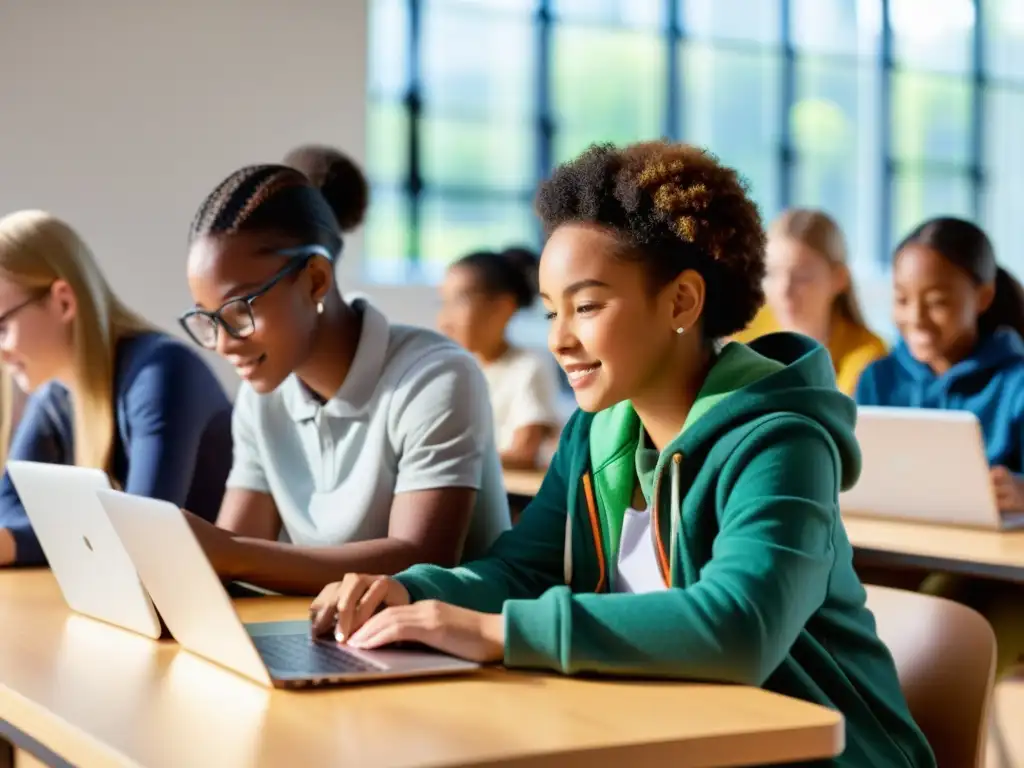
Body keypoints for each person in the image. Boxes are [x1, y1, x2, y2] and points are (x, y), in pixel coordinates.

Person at [308, 141, 935, 768]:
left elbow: (742, 627)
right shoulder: (599, 430)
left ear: (682, 303)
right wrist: (408, 592)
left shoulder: (781, 440)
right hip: (675, 737)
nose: (559, 339)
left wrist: (493, 633)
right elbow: (526, 570)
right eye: (552, 311)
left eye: (586, 307)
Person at [177, 156, 510, 595]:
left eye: (239, 310)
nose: (223, 343)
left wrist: (227, 552)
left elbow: (421, 559)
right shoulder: (261, 399)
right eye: (208, 320)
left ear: (315, 280)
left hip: (453, 650)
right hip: (332, 639)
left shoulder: (435, 377)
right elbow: (230, 559)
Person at [0, 210, 233, 567]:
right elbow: (8, 507)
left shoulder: (162, 373)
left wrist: (16, 543)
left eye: (2, 327)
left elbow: (142, 533)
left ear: (63, 301)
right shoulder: (55, 396)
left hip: (238, 610)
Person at [856, 216, 1024, 676]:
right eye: (902, 300)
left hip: (997, 579)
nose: (915, 318)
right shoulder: (878, 377)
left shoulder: (1017, 381)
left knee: (931, 632)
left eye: (937, 302)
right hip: (894, 554)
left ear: (983, 297)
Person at [732, 209, 886, 395]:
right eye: (771, 273)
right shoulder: (741, 331)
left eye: (802, 277)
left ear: (839, 279)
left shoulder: (867, 357)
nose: (783, 290)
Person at [438, 246, 560, 469]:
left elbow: (524, 452)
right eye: (443, 303)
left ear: (503, 309)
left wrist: (447, 459)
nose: (444, 320)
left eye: (459, 302)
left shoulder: (528, 366)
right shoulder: (459, 370)